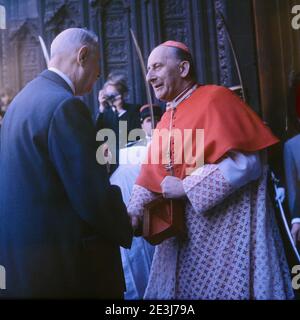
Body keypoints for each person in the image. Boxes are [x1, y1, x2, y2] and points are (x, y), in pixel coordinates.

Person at [127, 40, 294, 299]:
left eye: (157, 67)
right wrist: (133, 213)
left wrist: (187, 187)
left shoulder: (216, 98)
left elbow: (248, 162)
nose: (149, 76)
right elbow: (151, 176)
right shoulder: (165, 120)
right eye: (148, 69)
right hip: (184, 239)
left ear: (183, 68)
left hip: (224, 238)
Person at [0, 28, 132, 299]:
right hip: (62, 266)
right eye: (97, 70)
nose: (96, 80)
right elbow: (90, 194)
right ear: (83, 56)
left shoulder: (21, 101)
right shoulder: (65, 105)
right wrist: (127, 223)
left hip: (22, 263)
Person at [110, 104, 162, 299]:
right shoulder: (130, 152)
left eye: (157, 120)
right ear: (142, 124)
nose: (154, 125)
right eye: (149, 121)